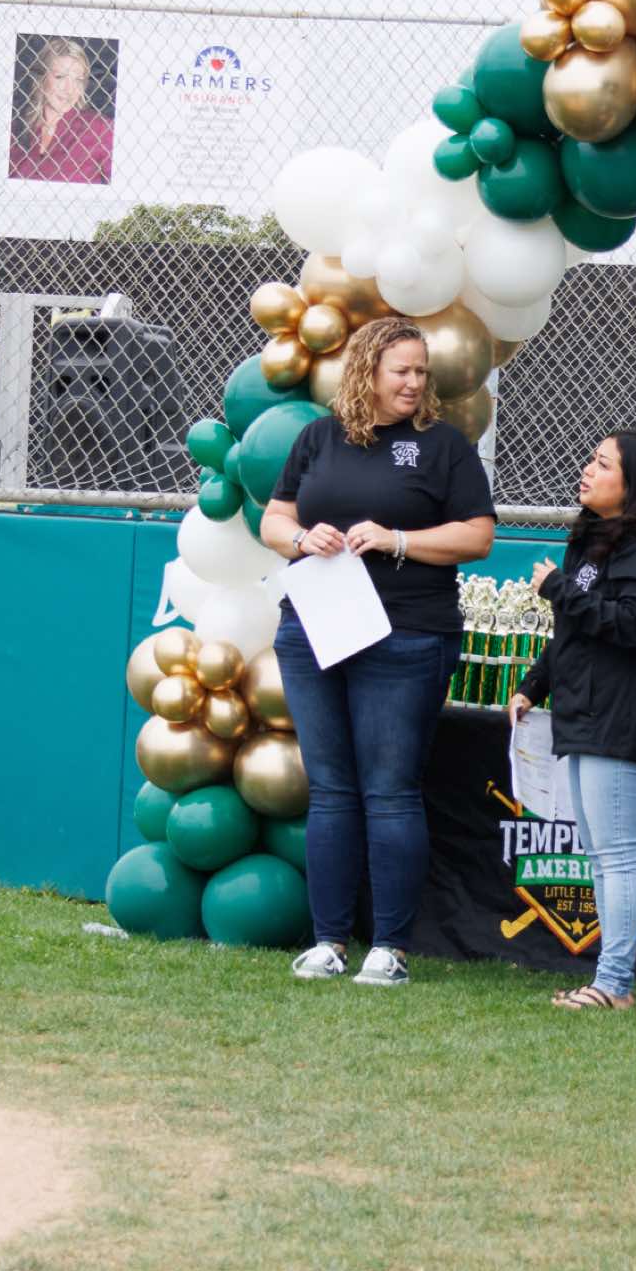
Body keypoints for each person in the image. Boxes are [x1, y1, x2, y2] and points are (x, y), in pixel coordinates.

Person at [261, 317, 496, 988]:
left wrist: (398, 540)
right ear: (366, 372)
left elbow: (478, 536)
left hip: (407, 634)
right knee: (331, 789)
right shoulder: (317, 438)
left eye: (421, 371)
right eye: (402, 371)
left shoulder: (444, 446)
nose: (415, 382)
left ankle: (389, 948)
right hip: (314, 628)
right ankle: (329, 942)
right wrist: (302, 539)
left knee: (390, 791)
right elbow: (275, 517)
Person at [506, 430, 636, 1011]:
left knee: (618, 853)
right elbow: (575, 633)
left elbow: (635, 625)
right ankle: (608, 980)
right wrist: (533, 686)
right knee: (598, 852)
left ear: (634, 485)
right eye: (591, 458)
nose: (587, 469)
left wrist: (558, 590)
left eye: (602, 463)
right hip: (584, 713)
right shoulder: (591, 542)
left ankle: (614, 985)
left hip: (620, 716)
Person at [8, 38, 114, 185]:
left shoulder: (101, 129)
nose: (69, 89)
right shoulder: (16, 128)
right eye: (60, 77)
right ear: (41, 78)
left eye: (78, 80)